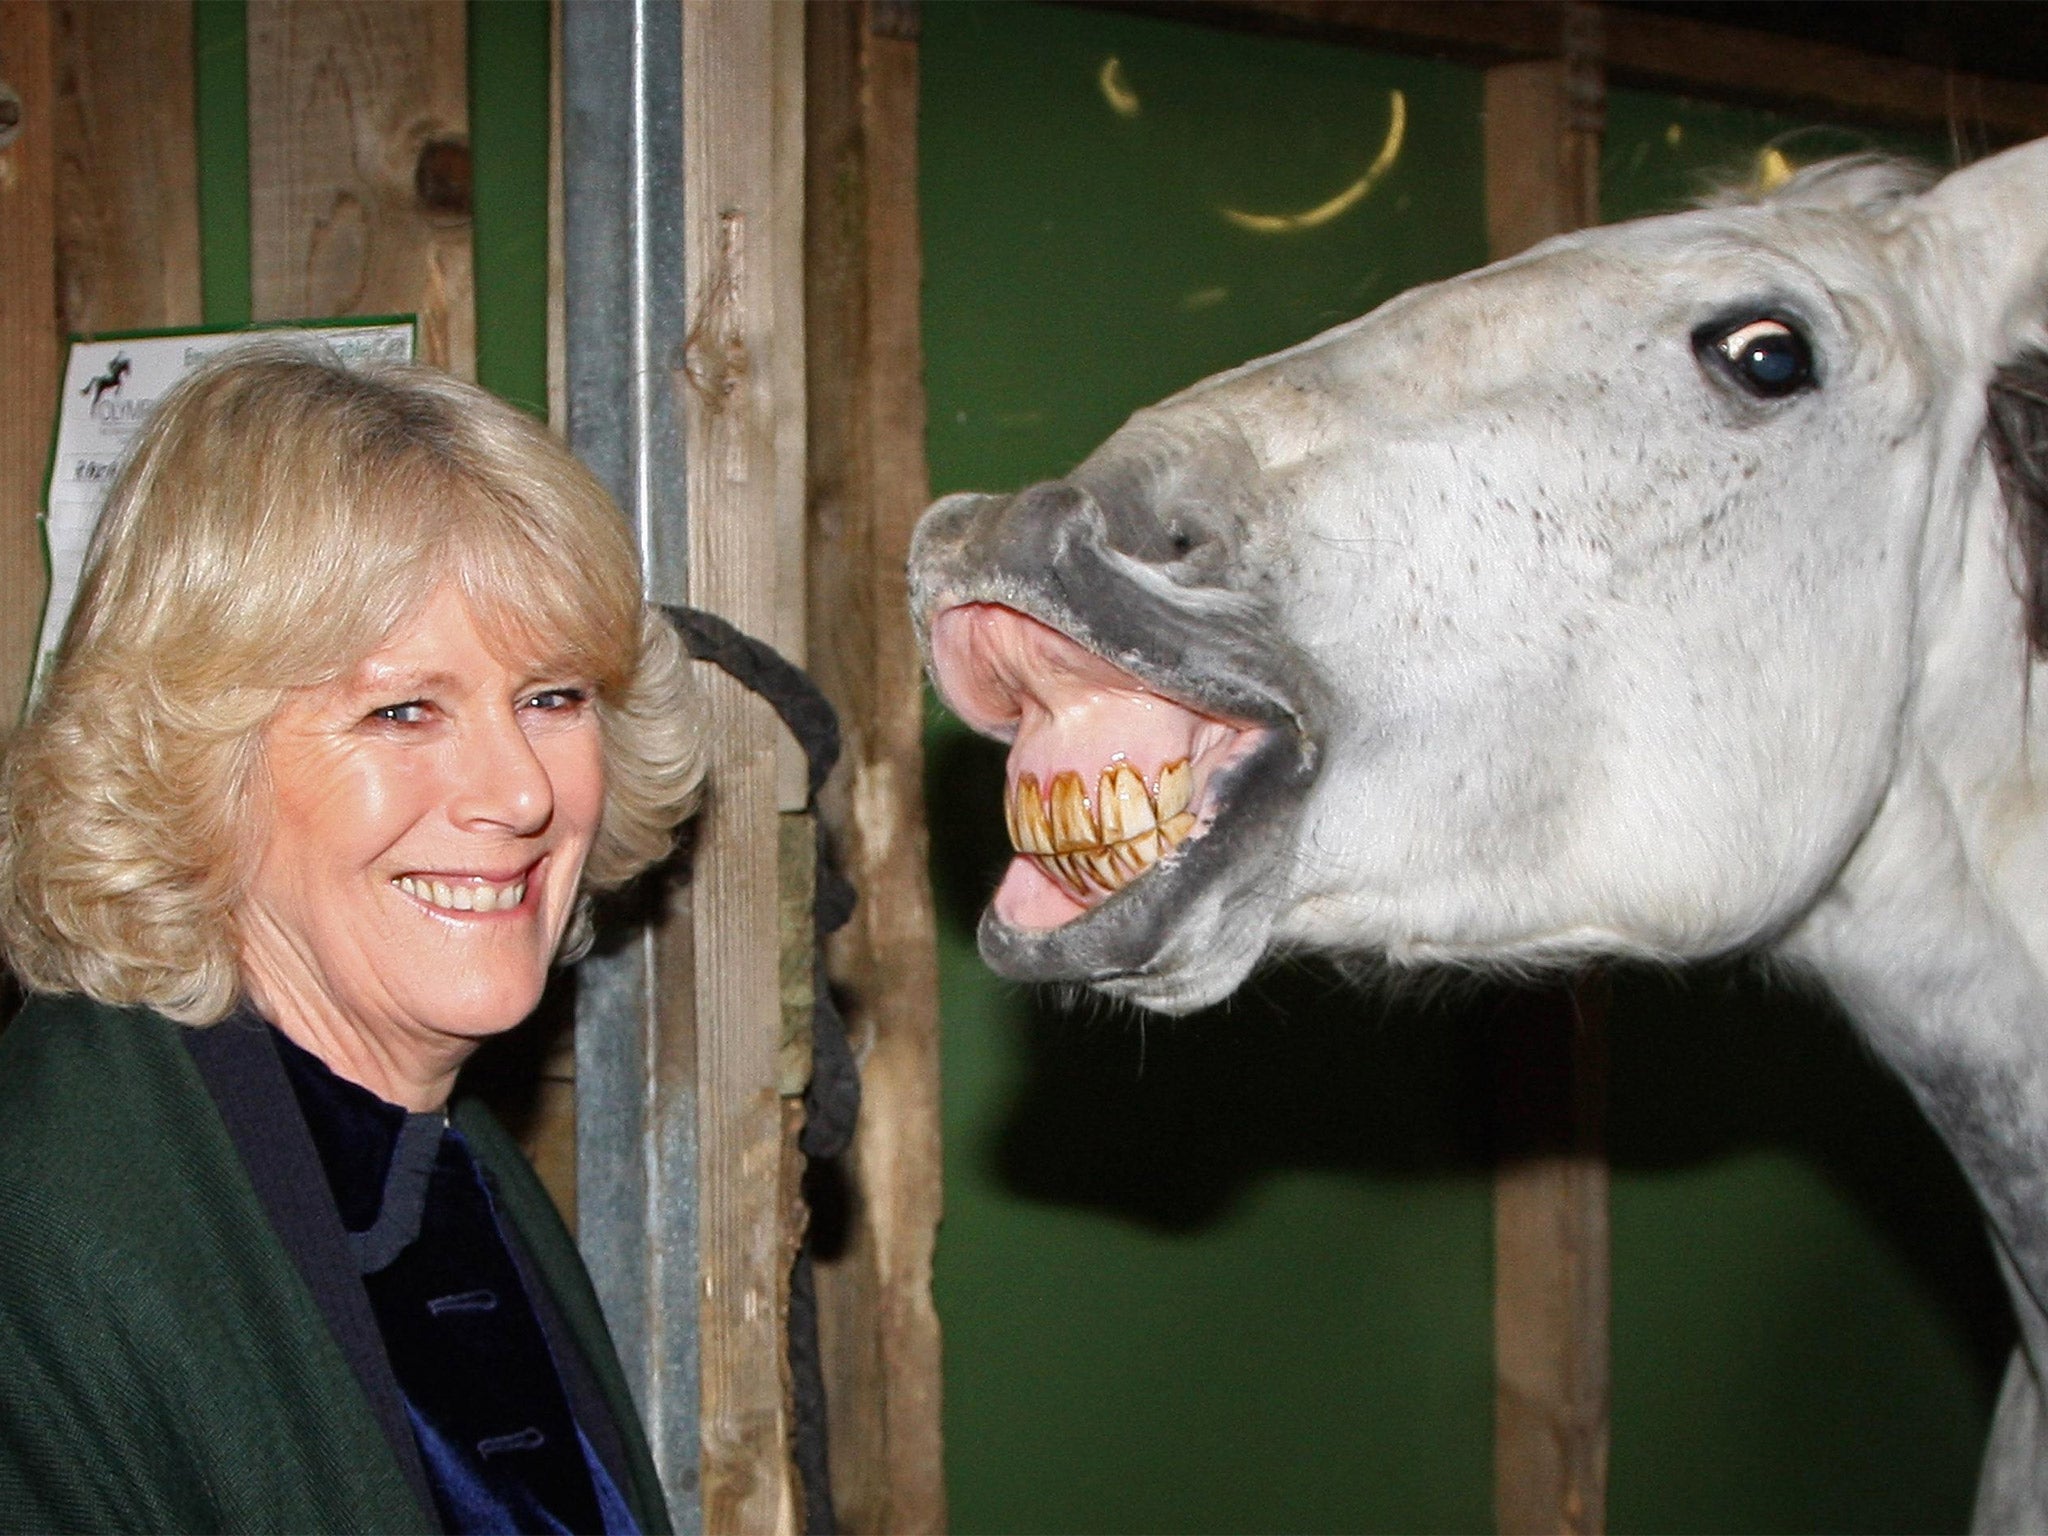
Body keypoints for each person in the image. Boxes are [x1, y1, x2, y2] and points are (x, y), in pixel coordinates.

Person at [0, 342, 701, 1533]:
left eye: (553, 697)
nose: (519, 792)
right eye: (402, 709)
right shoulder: (48, 1222)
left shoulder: (436, 1153)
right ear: (190, 761)